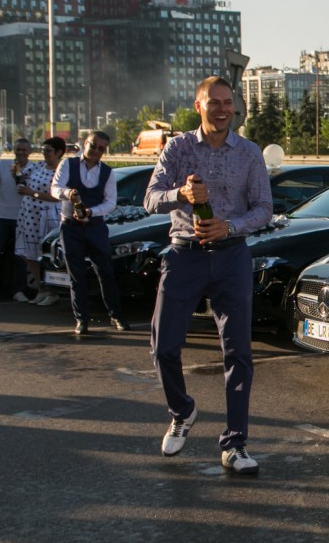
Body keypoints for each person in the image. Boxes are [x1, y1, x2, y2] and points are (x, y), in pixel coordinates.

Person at [144, 76, 272, 475]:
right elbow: (150, 199)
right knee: (163, 346)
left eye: (227, 102)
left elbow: (264, 209)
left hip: (232, 256)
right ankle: (182, 411)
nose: (222, 109)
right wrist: (180, 195)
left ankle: (235, 445)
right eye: (214, 102)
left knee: (238, 353)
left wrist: (229, 226)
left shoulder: (249, 152)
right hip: (184, 255)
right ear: (198, 106)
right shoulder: (178, 147)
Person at [51, 130, 128, 334]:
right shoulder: (68, 164)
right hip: (70, 227)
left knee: (105, 272)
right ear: (85, 143)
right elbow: (55, 188)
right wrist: (68, 193)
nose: (96, 151)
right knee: (76, 275)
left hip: (95, 227)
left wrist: (91, 212)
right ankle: (82, 319)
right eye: (93, 145)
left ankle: (116, 315)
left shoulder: (107, 172)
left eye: (101, 148)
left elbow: (110, 203)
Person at [15, 137, 66, 307]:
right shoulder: (38, 166)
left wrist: (32, 193)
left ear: (59, 152)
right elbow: (21, 174)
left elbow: (56, 196)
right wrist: (17, 171)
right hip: (29, 215)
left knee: (45, 255)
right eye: (43, 150)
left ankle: (52, 291)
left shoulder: (61, 171)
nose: (45, 154)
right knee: (28, 254)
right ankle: (41, 288)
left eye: (48, 151)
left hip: (47, 216)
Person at [0, 137, 33, 305]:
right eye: (18, 149)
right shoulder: (3, 165)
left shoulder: (35, 169)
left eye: (24, 150)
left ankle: (18, 291)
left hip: (23, 217)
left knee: (20, 256)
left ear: (29, 152)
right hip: (0, 216)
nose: (21, 152)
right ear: (14, 151)